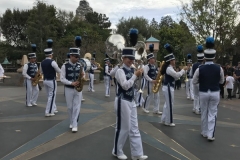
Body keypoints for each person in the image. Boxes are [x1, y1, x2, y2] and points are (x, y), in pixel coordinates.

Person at [112, 47, 148, 160]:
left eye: (132, 58)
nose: (131, 61)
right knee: (123, 128)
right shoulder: (119, 71)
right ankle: (117, 151)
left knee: (134, 128)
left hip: (131, 101)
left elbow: (135, 86)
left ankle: (137, 153)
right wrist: (135, 76)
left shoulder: (132, 70)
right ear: (123, 58)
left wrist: (139, 76)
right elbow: (125, 85)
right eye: (129, 58)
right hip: (122, 100)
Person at [192, 37, 224, 141]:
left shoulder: (199, 68)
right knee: (212, 113)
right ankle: (210, 134)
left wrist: (203, 81)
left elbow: (194, 81)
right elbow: (221, 81)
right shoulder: (219, 68)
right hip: (215, 92)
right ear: (214, 57)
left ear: (205, 57)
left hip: (203, 92)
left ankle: (204, 132)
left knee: (204, 111)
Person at [60, 36, 83, 132]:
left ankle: (75, 124)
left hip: (78, 89)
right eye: (76, 57)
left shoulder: (80, 65)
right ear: (71, 56)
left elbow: (83, 74)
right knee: (70, 107)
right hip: (68, 89)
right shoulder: (64, 66)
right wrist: (71, 83)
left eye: (78, 57)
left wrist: (82, 76)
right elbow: (61, 79)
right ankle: (71, 121)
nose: (77, 58)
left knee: (77, 107)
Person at [161, 43, 187, 127]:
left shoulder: (170, 68)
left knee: (167, 104)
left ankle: (164, 119)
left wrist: (182, 71)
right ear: (171, 61)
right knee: (170, 104)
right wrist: (183, 70)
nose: (175, 61)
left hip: (169, 86)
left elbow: (176, 78)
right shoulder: (169, 68)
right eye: (174, 60)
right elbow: (176, 76)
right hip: (168, 87)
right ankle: (169, 121)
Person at [41, 39, 61, 117]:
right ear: (51, 55)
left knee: (49, 96)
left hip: (45, 80)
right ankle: (48, 111)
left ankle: (54, 108)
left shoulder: (42, 62)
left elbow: (41, 72)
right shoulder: (52, 62)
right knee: (52, 96)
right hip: (51, 80)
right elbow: (58, 70)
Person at [142, 44, 162, 115]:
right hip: (151, 82)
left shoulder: (154, 66)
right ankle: (145, 108)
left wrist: (159, 72)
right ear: (150, 59)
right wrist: (151, 80)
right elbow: (145, 75)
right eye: (153, 58)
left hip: (155, 82)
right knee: (149, 95)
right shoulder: (146, 66)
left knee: (157, 96)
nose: (154, 59)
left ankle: (156, 109)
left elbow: (156, 72)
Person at [190, 45, 205, 114]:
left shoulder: (193, 64)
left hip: (194, 81)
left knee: (195, 95)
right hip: (200, 82)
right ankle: (198, 109)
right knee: (199, 96)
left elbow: (190, 73)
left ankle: (194, 108)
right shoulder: (203, 66)